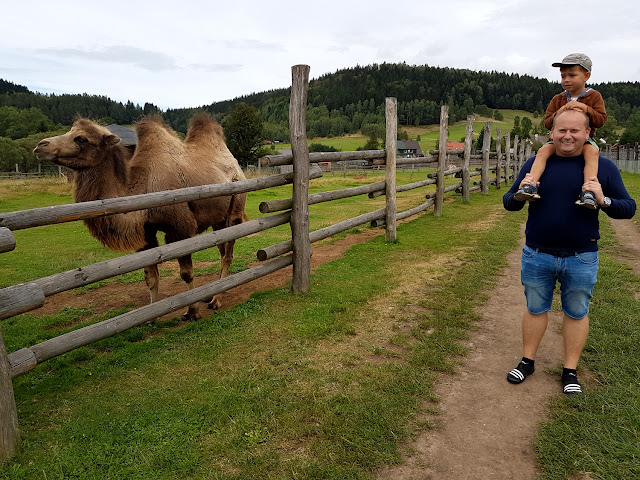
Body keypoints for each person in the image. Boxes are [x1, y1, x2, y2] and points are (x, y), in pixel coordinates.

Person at [504, 109, 636, 395]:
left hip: (581, 256)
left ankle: (570, 370)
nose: (567, 136)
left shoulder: (604, 167)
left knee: (576, 313)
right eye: (561, 130)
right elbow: (509, 202)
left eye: (575, 131)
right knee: (535, 308)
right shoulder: (536, 162)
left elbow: (628, 208)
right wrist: (520, 195)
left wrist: (604, 200)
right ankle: (528, 361)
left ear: (588, 134)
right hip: (537, 253)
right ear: (552, 133)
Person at [515, 53, 607, 209]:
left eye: (572, 75)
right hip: (558, 140)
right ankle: (530, 185)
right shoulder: (558, 99)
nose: (566, 80)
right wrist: (561, 111)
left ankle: (588, 191)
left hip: (585, 139)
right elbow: (547, 122)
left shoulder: (593, 96)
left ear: (586, 76)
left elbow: (601, 120)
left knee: (592, 153)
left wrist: (586, 109)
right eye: (563, 76)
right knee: (543, 151)